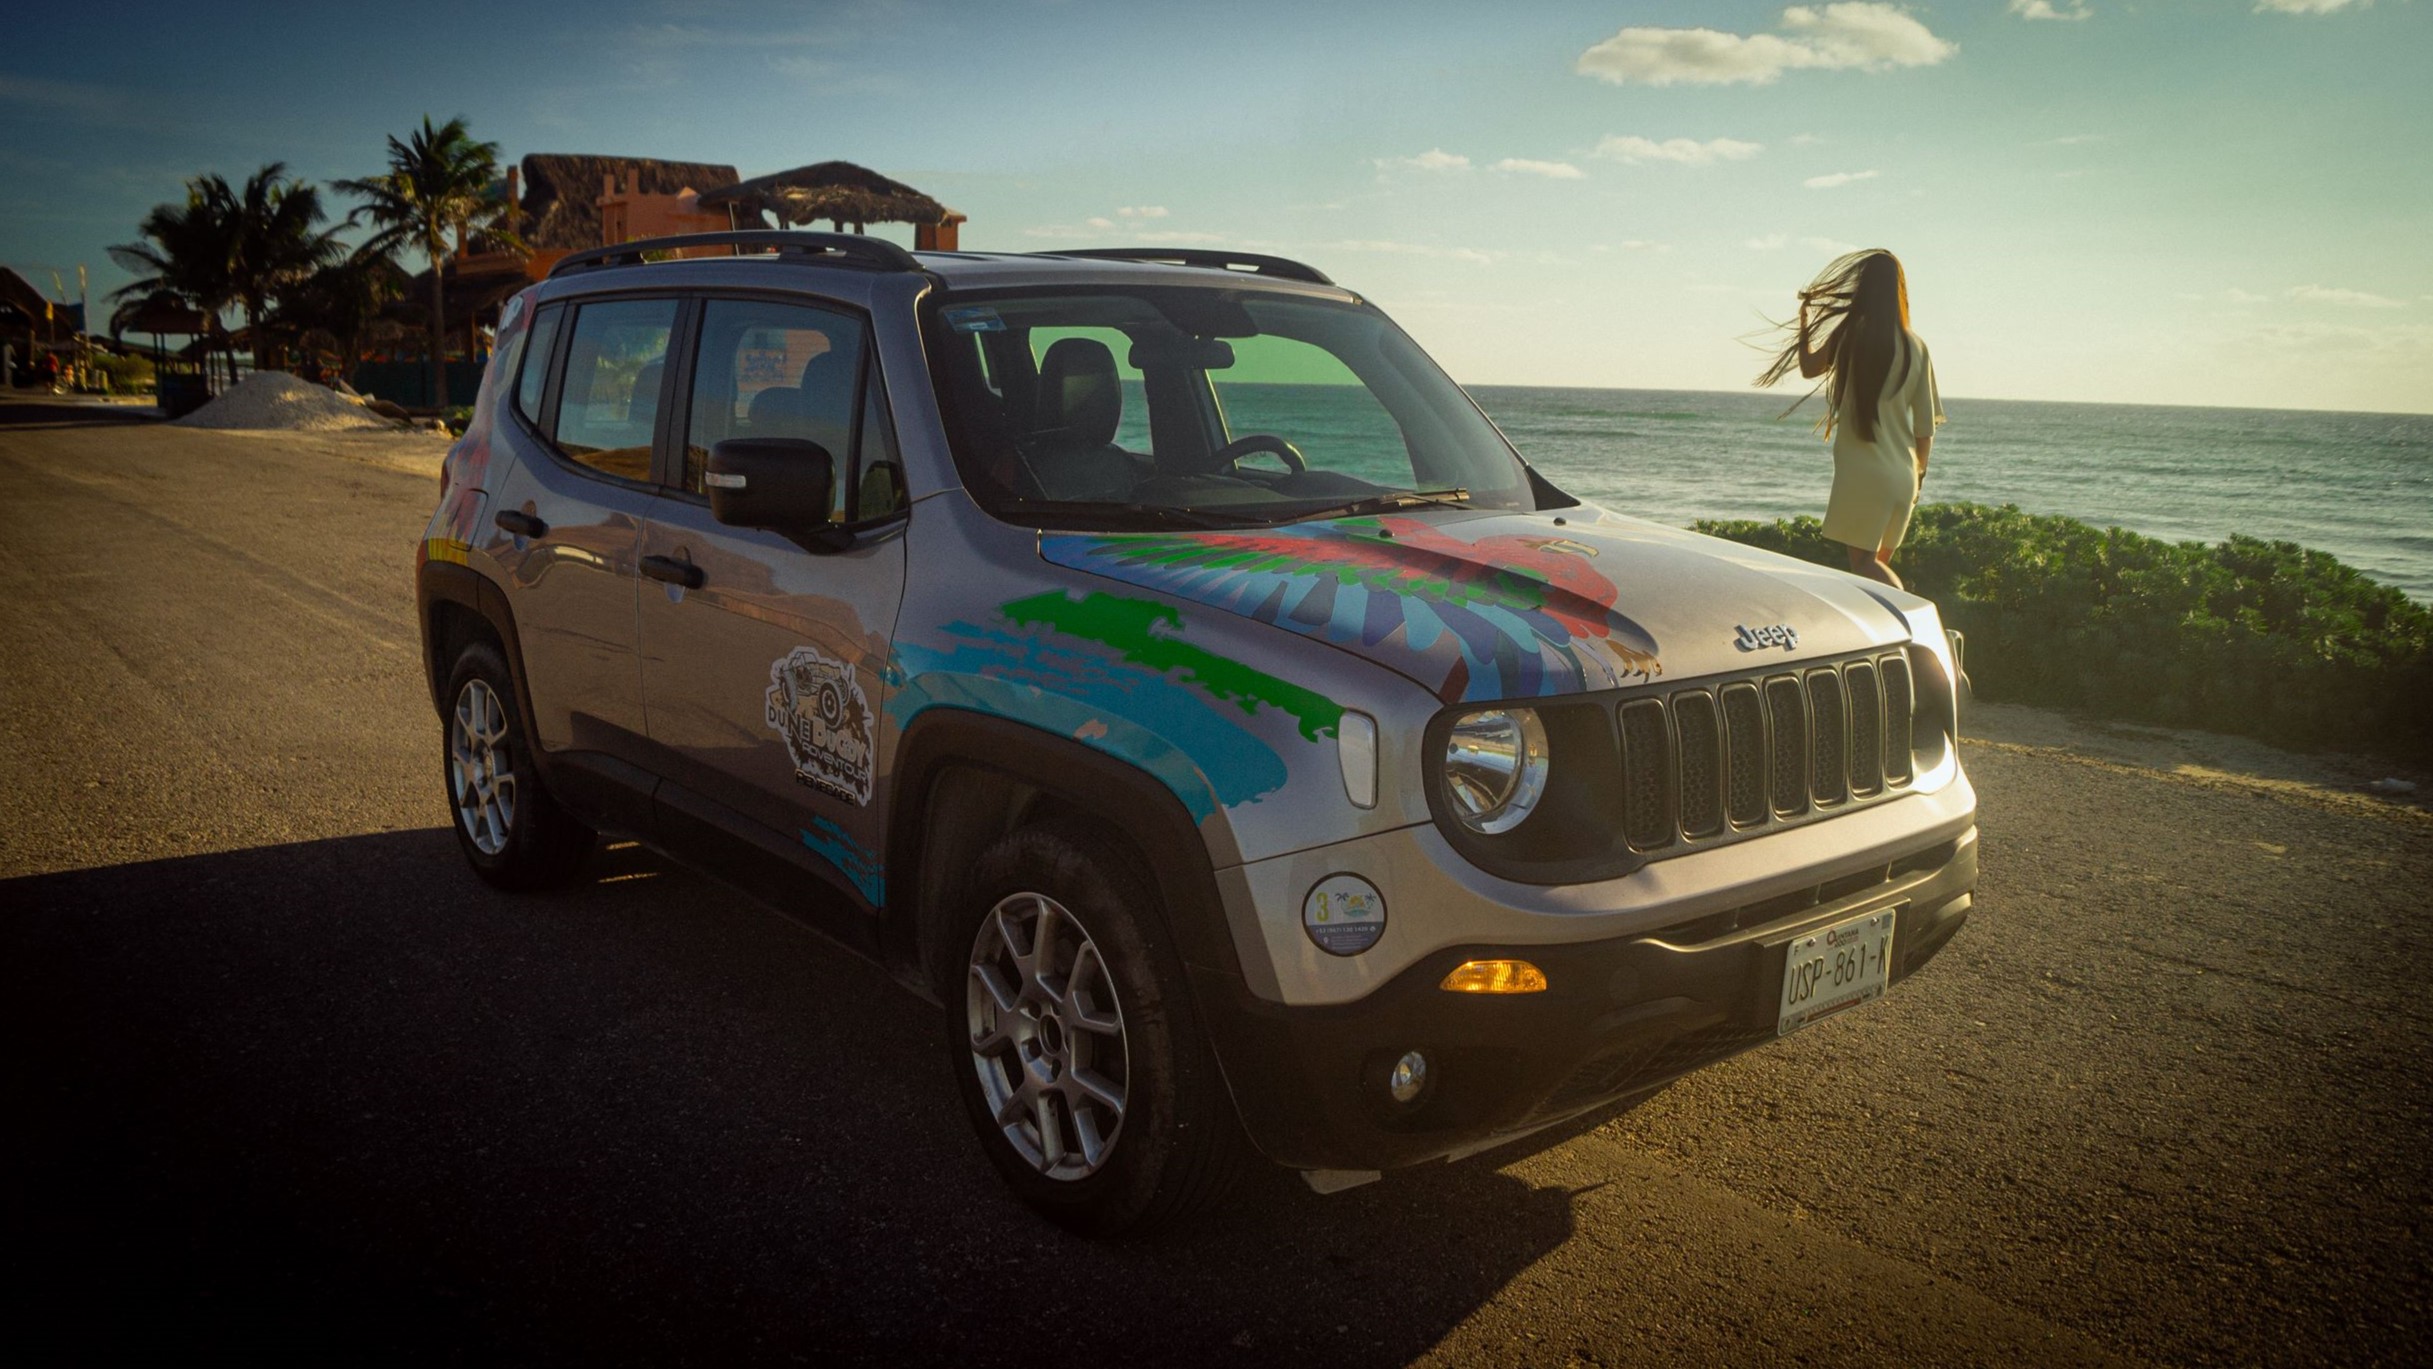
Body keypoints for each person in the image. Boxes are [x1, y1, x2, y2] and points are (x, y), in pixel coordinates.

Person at [1757, 249, 1944, 589]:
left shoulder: (1851, 334)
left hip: (1865, 473)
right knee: (1874, 572)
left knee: (1866, 566)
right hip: (1904, 476)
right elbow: (1925, 428)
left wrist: (1804, 326)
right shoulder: (1917, 347)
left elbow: (1809, 368)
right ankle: (1896, 618)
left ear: (1864, 289)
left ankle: (1911, 612)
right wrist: (1919, 476)